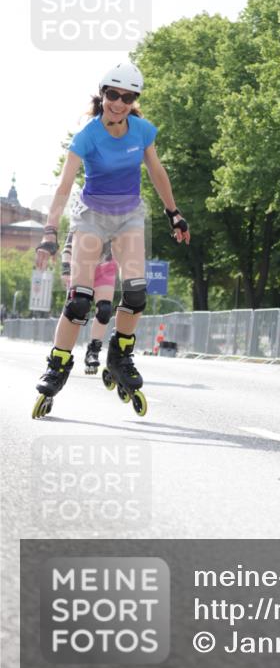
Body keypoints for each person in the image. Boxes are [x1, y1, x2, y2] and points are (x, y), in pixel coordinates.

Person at [32, 62, 190, 418]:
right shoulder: (87, 136)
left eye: (127, 97)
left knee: (135, 294)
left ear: (134, 100)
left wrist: (174, 213)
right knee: (81, 301)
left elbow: (156, 171)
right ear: (102, 94)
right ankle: (57, 366)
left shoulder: (142, 131)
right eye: (113, 95)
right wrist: (50, 231)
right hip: (91, 216)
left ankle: (120, 356)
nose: (118, 103)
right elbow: (64, 184)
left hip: (129, 215)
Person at [60, 227, 118, 373]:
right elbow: (68, 247)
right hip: (81, 268)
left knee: (104, 310)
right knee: (77, 308)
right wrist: (66, 270)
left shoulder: (118, 215)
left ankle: (93, 351)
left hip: (105, 268)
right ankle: (61, 354)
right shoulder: (85, 213)